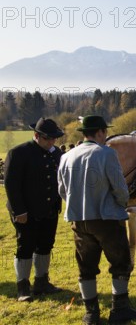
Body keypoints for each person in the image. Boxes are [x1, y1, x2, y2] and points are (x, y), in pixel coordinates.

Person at [58, 115, 136, 324]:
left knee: (86, 267)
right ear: (100, 132)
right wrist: (122, 203)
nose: (106, 136)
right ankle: (119, 309)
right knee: (120, 263)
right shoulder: (106, 153)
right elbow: (119, 188)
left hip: (78, 221)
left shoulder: (66, 156)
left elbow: (62, 190)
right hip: (107, 219)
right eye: (105, 132)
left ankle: (91, 313)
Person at [4, 117, 64, 302]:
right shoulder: (18, 153)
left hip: (49, 210)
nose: (52, 142)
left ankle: (41, 282)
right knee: (25, 247)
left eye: (54, 138)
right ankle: (23, 287)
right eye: (48, 138)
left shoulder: (56, 154)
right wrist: (19, 211)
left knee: (46, 245)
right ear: (36, 135)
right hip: (26, 212)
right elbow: (11, 185)